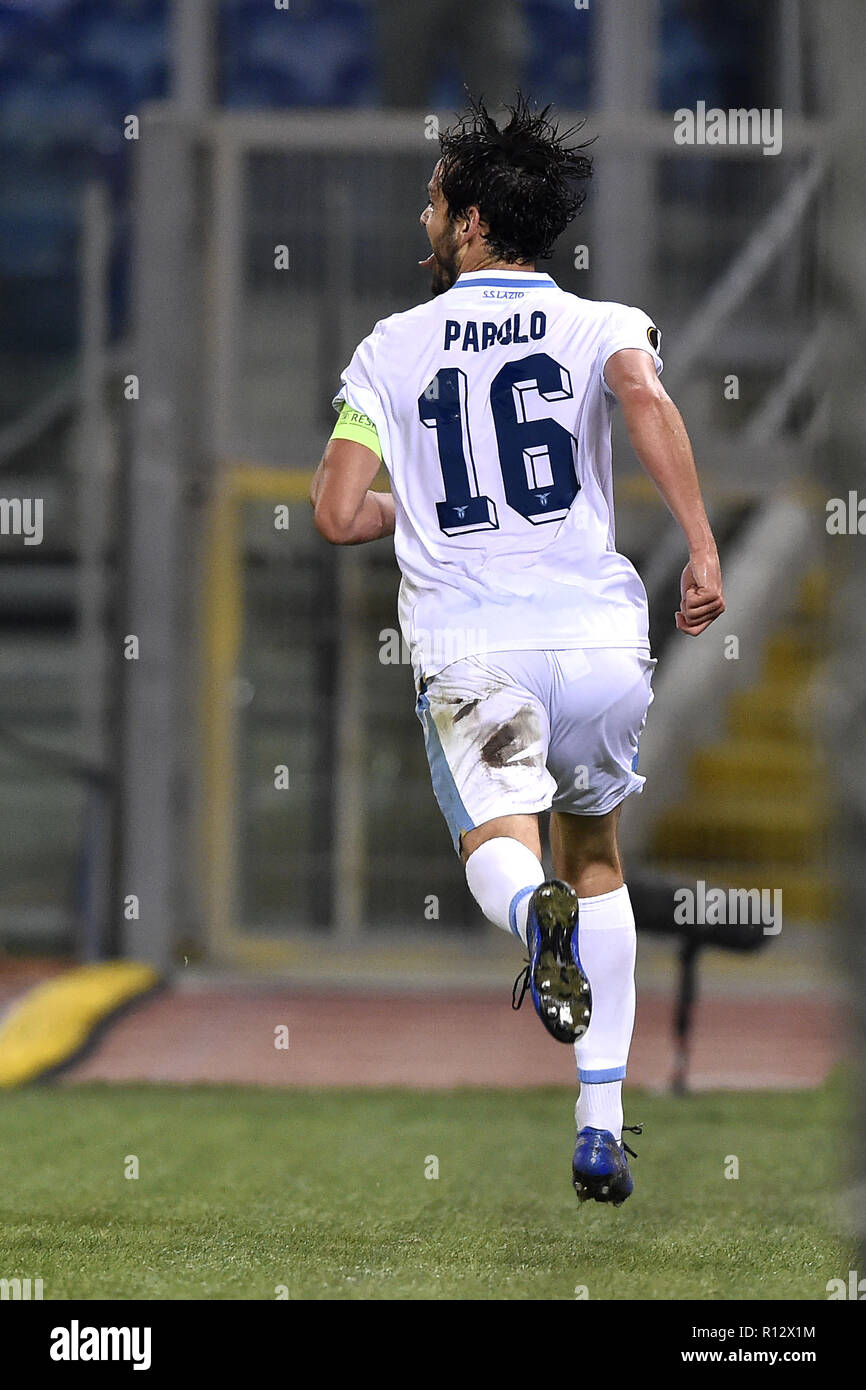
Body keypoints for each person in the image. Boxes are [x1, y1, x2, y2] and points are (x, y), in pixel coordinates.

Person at [310, 95, 725, 1206]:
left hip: (475, 646)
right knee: (597, 854)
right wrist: (696, 544)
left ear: (474, 220)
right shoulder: (604, 324)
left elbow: (339, 512)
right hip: (596, 636)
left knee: (506, 846)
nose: (424, 213)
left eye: (435, 199)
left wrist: (421, 511)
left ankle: (523, 914)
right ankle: (599, 1123)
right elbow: (641, 395)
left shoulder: (389, 349)